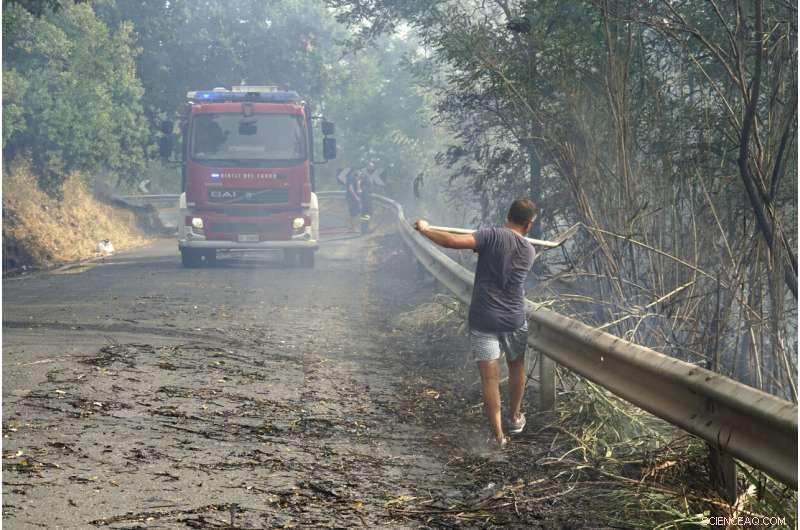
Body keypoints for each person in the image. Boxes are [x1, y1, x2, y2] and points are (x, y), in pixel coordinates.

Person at [414, 198, 537, 449]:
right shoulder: (529, 250)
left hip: (484, 318)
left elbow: (453, 242)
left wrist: (426, 229)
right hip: (514, 319)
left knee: (489, 379)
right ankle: (515, 416)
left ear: (508, 216)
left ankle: (498, 436)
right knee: (516, 366)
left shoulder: (490, 236)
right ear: (528, 224)